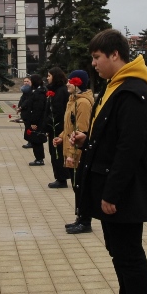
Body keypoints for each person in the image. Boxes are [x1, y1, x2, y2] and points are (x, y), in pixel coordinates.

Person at [70, 29, 147, 294]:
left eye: (97, 57)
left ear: (115, 55)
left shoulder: (132, 93)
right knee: (120, 254)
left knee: (130, 256)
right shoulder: (116, 87)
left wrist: (112, 194)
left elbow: (129, 150)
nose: (93, 63)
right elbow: (113, 136)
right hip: (116, 188)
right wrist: (87, 140)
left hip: (125, 192)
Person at [55, 69, 94, 234]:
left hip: (78, 153)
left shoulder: (83, 103)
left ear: (79, 83)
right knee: (76, 186)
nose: (67, 83)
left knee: (81, 187)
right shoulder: (73, 100)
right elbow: (70, 126)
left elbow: (81, 131)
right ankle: (80, 217)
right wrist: (61, 137)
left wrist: (72, 155)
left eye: (71, 81)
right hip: (70, 148)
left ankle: (85, 222)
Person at [44, 67, 70, 188]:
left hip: (58, 128)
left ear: (55, 77)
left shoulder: (60, 91)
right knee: (55, 153)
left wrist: (47, 125)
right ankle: (60, 177)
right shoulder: (57, 90)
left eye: (49, 76)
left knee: (57, 154)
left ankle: (61, 179)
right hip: (56, 127)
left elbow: (57, 112)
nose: (47, 78)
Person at [22, 74, 47, 165]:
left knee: (36, 139)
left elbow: (37, 109)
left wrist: (33, 122)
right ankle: (39, 158)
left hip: (37, 121)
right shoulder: (37, 91)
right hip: (37, 120)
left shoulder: (39, 93)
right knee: (35, 139)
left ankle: (39, 159)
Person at [17, 76, 33, 147]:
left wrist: (21, 107)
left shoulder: (31, 91)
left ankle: (30, 142)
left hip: (29, 112)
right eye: (25, 81)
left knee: (29, 127)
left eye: (27, 81)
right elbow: (22, 99)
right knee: (27, 127)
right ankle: (29, 141)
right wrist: (19, 107)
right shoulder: (25, 90)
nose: (26, 83)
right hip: (24, 112)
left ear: (31, 82)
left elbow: (28, 101)